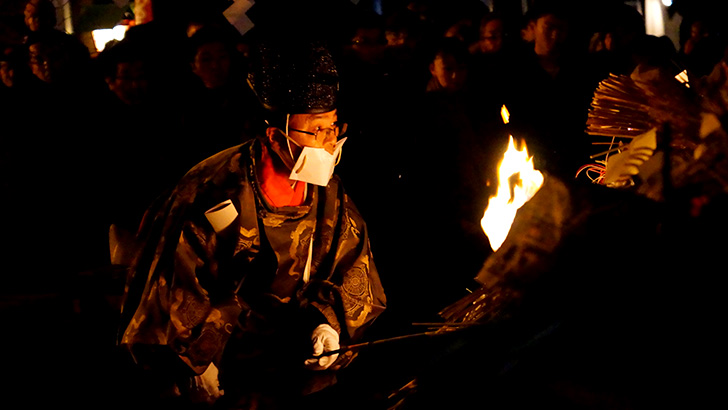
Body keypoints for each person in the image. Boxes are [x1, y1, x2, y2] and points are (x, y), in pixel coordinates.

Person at [116, 40, 386, 409]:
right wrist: (196, 361)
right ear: (276, 136)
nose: (327, 143)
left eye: (332, 128)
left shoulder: (330, 193)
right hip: (226, 366)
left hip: (301, 361)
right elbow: (174, 283)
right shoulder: (213, 190)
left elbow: (354, 268)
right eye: (315, 131)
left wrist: (329, 324)